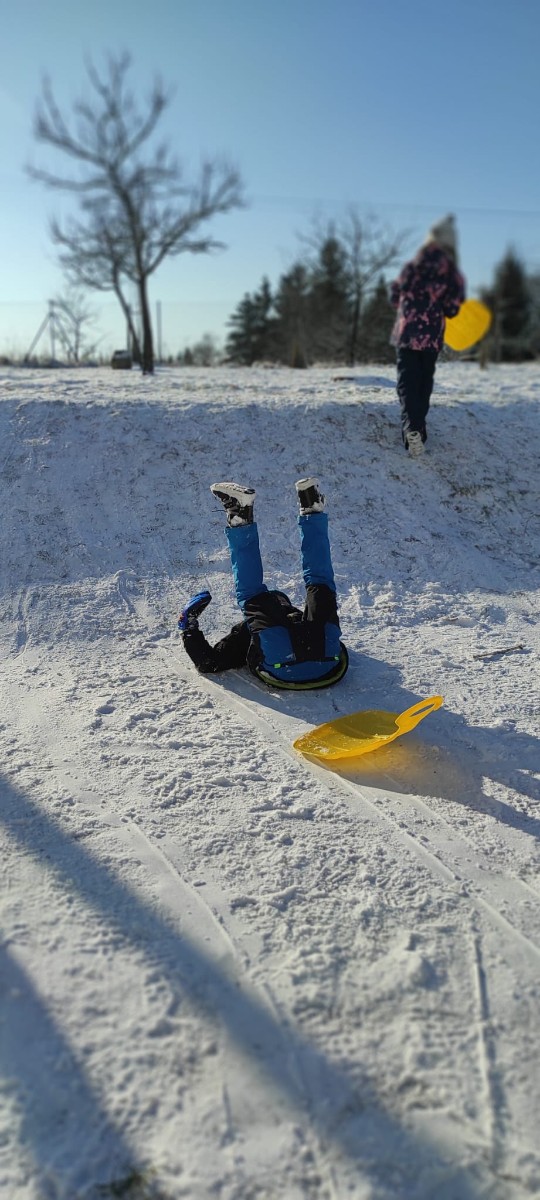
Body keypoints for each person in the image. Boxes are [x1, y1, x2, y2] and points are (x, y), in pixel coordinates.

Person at [178, 478, 349, 690]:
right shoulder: (287, 623)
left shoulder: (250, 630)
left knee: (319, 583)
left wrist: (188, 626)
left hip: (298, 663)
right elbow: (209, 663)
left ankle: (309, 512)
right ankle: (255, 516)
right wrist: (189, 625)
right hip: (327, 662)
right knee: (312, 585)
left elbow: (210, 663)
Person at [390, 214, 466, 456]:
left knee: (407, 380)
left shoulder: (411, 265)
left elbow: (394, 295)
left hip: (406, 332)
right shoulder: (451, 273)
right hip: (431, 335)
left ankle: (412, 427)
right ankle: (418, 427)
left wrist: (408, 308)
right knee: (423, 381)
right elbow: (453, 308)